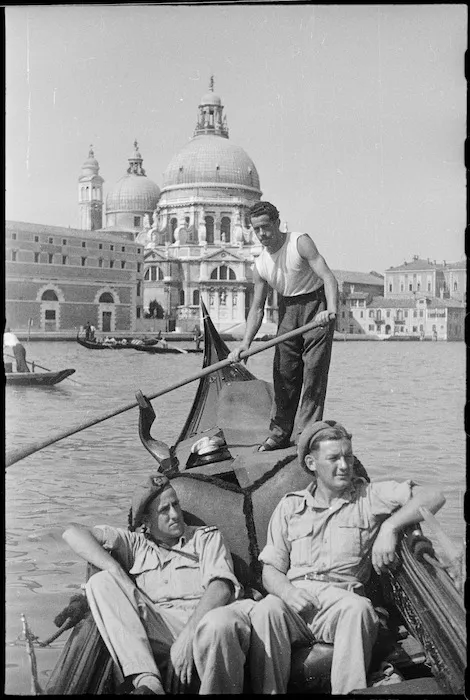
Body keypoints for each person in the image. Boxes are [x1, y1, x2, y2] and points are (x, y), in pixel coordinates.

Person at [249, 420, 445, 694]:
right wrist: (287, 591)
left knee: (359, 608)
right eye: (334, 458)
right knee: (265, 609)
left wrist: (390, 526)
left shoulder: (367, 497)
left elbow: (433, 495)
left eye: (348, 456)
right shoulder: (290, 506)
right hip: (295, 602)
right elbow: (271, 570)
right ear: (311, 462)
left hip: (341, 603)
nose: (344, 465)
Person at [62, 474, 280, 695]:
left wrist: (186, 638)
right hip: (160, 628)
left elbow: (220, 588)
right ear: (146, 521)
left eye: (175, 504)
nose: (175, 515)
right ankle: (148, 682)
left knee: (219, 625)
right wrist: (114, 569)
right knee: (100, 581)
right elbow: (72, 532)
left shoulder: (205, 539)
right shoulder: (136, 545)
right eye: (164, 510)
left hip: (205, 623)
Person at [228, 201, 338, 452]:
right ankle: (279, 434)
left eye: (266, 227)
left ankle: (305, 434)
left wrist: (330, 311)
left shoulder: (300, 242)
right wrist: (245, 344)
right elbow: (256, 308)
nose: (262, 235)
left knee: (313, 373)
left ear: (277, 223)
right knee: (283, 372)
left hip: (315, 305)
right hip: (287, 310)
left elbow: (328, 278)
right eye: (256, 230)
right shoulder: (260, 266)